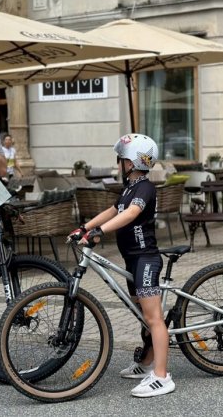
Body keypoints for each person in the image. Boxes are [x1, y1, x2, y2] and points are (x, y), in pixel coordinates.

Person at [68, 133, 175, 398]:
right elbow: (114, 210)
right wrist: (86, 227)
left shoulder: (145, 188)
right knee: (142, 315)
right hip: (132, 259)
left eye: (121, 159)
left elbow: (131, 214)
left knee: (154, 318)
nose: (119, 164)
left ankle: (162, 376)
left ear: (130, 162)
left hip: (146, 258)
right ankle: (147, 361)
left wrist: (99, 233)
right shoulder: (129, 189)